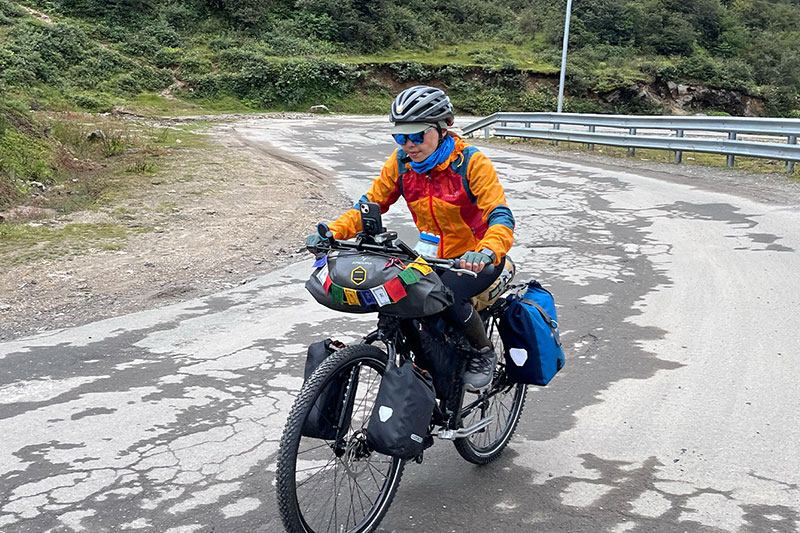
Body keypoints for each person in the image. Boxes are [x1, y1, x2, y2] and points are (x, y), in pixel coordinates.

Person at [306, 85, 515, 390]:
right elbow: (370, 203)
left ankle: (482, 351)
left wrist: (486, 251)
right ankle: (425, 371)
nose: (409, 145)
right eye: (400, 136)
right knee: (396, 297)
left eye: (417, 135)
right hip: (428, 255)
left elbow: (500, 216)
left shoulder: (470, 163)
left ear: (443, 129)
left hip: (474, 258)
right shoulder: (402, 163)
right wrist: (332, 232)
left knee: (447, 296)